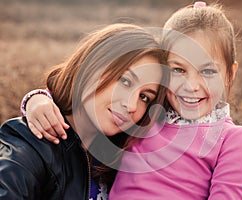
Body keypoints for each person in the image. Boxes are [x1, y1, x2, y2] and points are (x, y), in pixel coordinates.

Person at [18, 2, 242, 200]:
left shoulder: (231, 139)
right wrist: (38, 99)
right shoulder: (148, 115)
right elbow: (81, 105)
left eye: (208, 71)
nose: (192, 86)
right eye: (178, 70)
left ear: (230, 74)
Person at [0, 23, 170, 200]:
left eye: (145, 97)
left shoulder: (126, 159)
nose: (132, 106)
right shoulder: (31, 146)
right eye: (125, 81)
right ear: (91, 66)